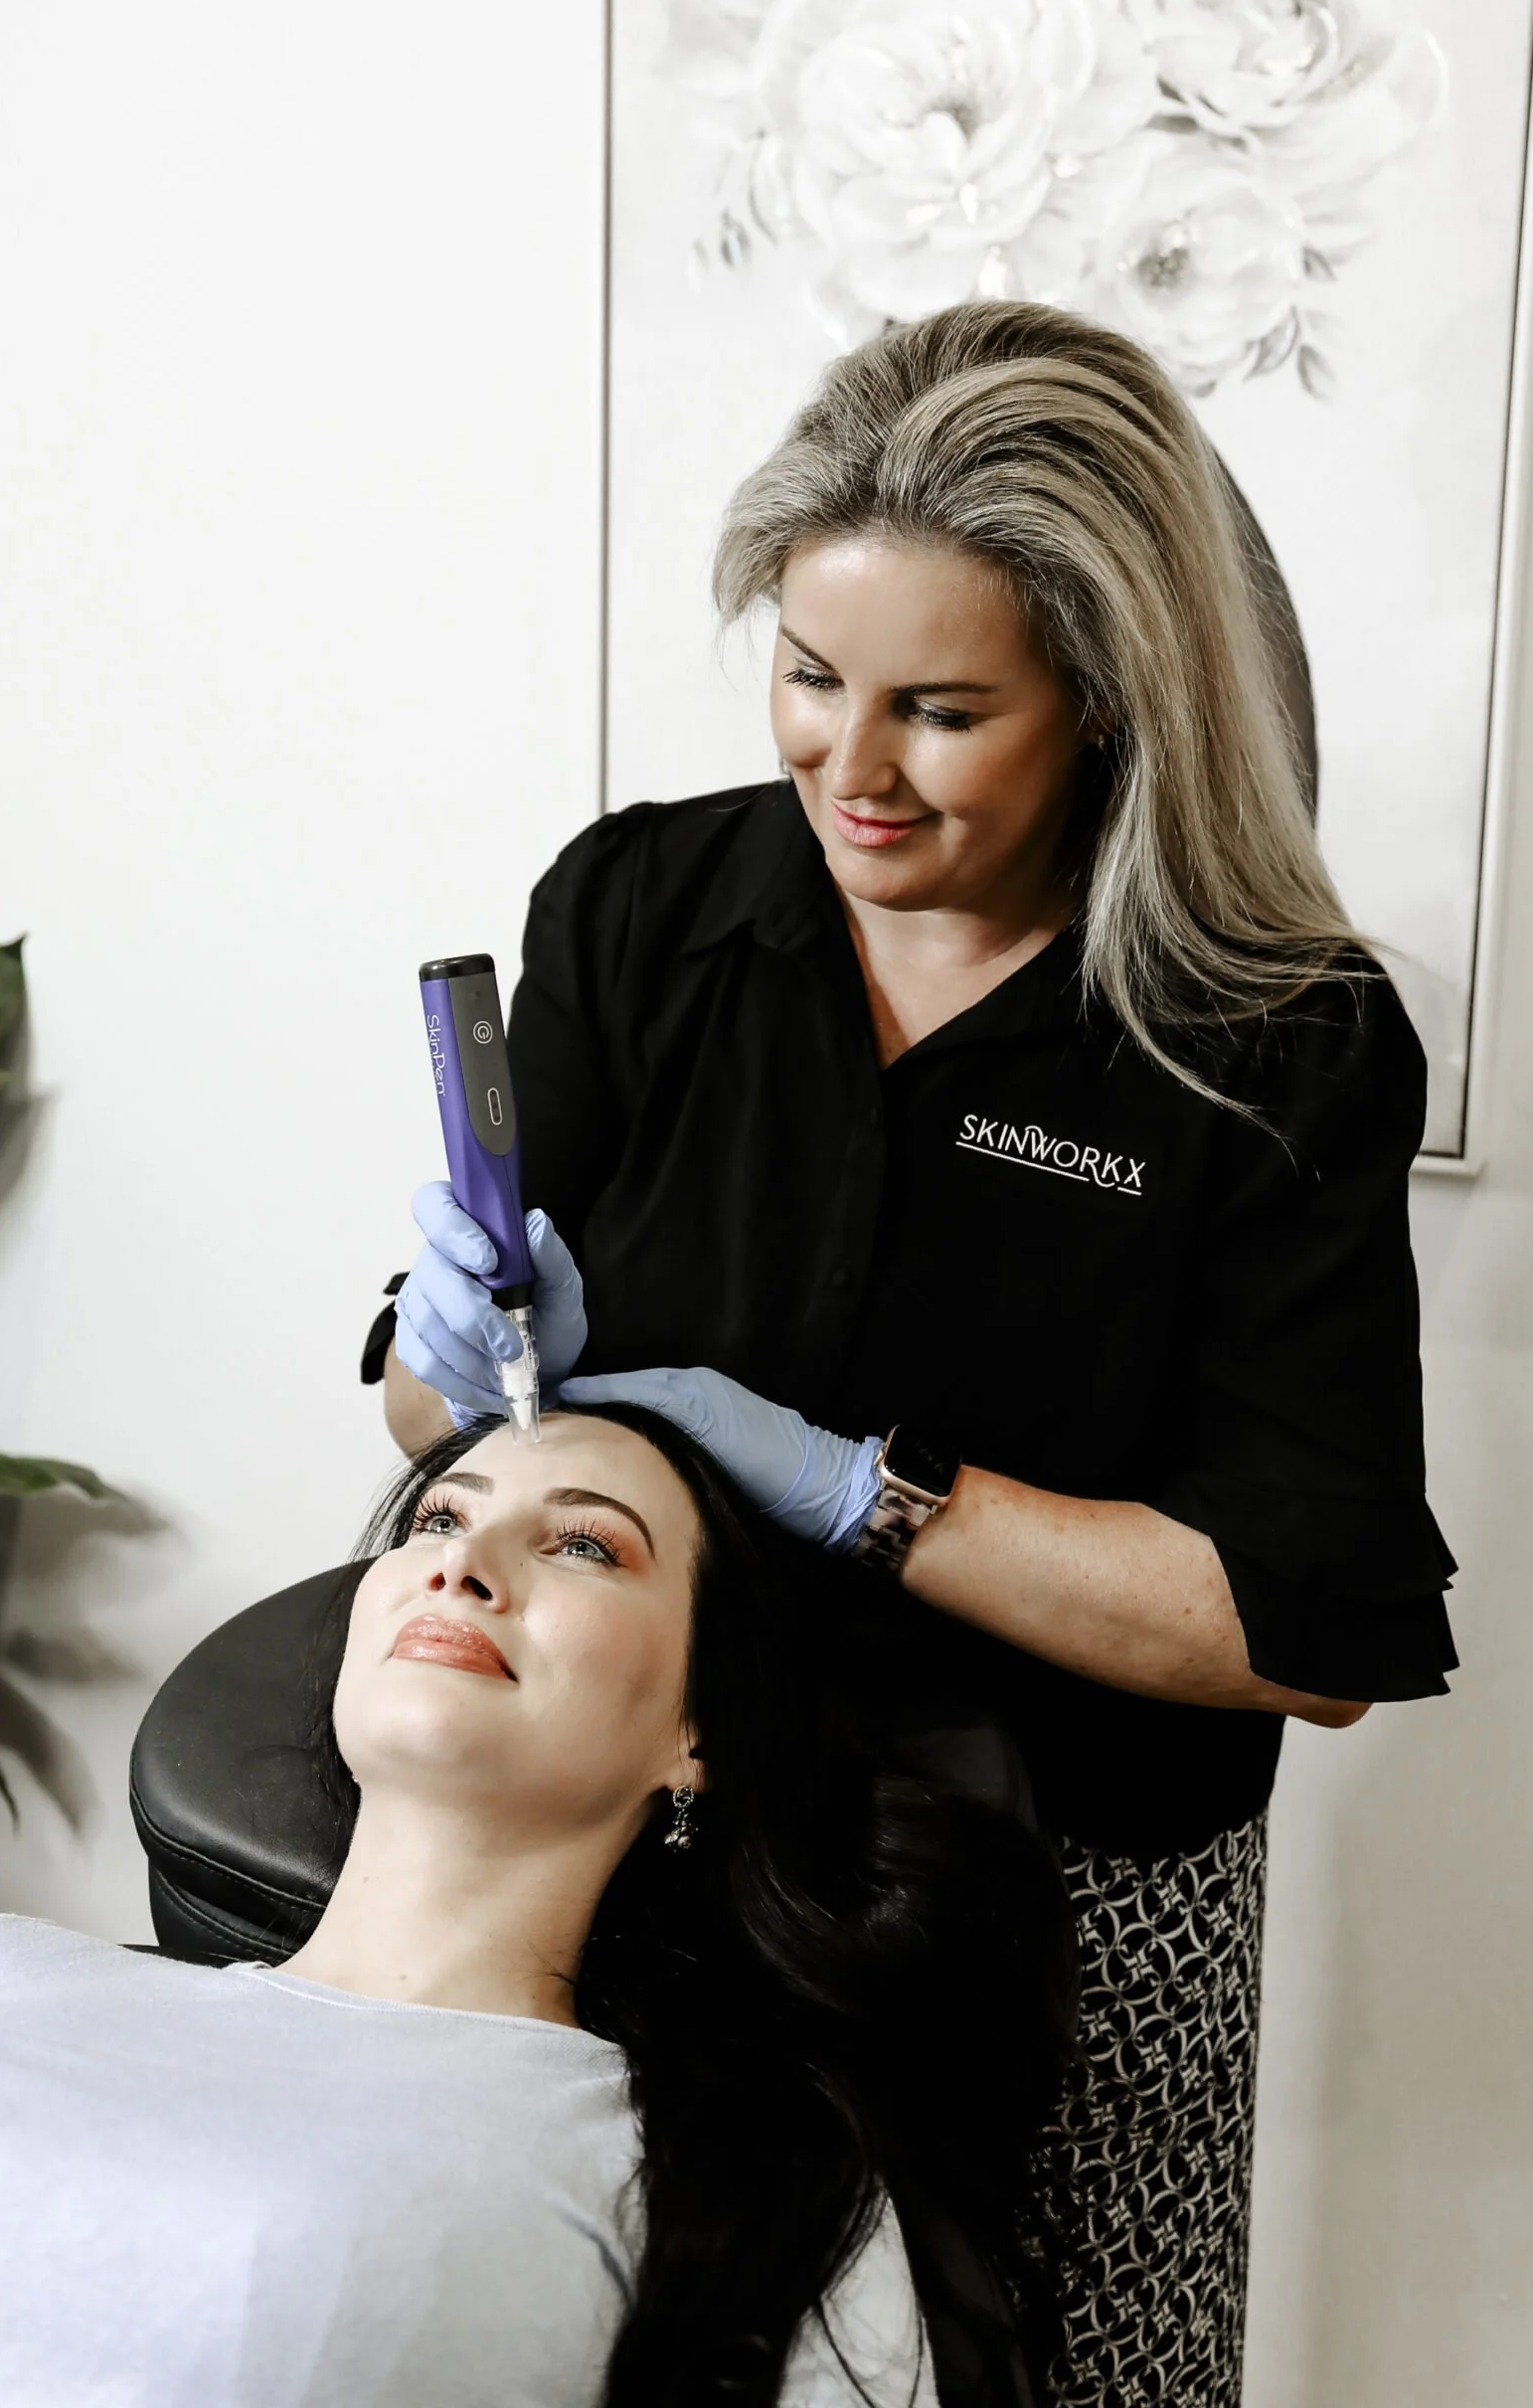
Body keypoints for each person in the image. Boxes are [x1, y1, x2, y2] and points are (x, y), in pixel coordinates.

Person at [375, 301, 1459, 2408]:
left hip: (1065, 1917)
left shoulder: (1267, 1039)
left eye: (940, 711)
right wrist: (455, 1346)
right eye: (807, 678)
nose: (847, 772)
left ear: (1108, 697)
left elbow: (1313, 1623)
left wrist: (857, 1489)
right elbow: (450, 1411)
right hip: (647, 1847)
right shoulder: (641, 909)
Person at [0, 1405, 1073, 2408]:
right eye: (438, 1515)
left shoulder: (739, 2187)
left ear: (699, 1731)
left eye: (585, 1542)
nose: (459, 1561)